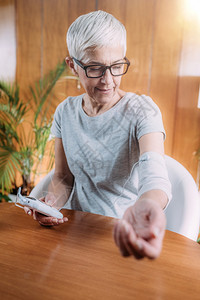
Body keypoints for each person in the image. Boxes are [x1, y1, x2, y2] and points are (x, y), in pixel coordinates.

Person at [24, 10, 171, 259]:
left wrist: (146, 206)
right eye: (94, 68)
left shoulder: (142, 111)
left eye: (116, 66)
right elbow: (63, 177)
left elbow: (155, 177)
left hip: (119, 234)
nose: (108, 80)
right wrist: (51, 204)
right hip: (72, 230)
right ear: (72, 65)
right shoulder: (65, 113)